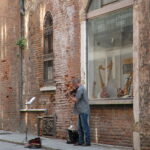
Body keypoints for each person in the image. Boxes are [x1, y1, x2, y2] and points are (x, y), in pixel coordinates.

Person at [70, 78, 91, 146]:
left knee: (84, 127)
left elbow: (76, 99)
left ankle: (87, 142)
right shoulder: (80, 88)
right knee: (80, 127)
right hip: (81, 110)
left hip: (83, 110)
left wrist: (69, 96)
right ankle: (81, 141)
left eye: (74, 85)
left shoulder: (80, 89)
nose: (74, 86)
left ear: (76, 83)